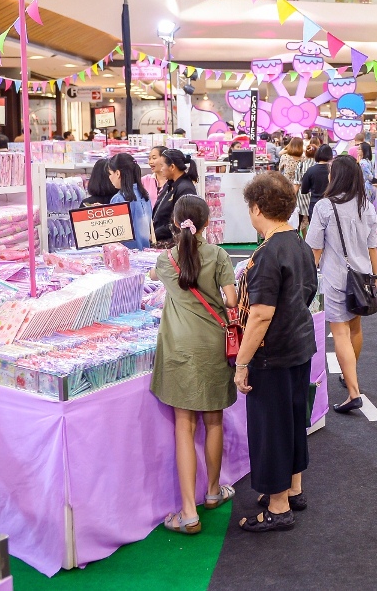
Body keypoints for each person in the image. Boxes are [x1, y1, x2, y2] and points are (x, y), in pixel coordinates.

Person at [234, 172, 318, 533]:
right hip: (299, 345)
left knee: (271, 429)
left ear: (257, 208)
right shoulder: (299, 242)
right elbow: (308, 292)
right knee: (294, 420)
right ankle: (293, 490)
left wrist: (242, 363)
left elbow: (261, 314)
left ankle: (278, 507)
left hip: (273, 354)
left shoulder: (267, 253)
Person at [150, 196, 237, 535]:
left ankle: (188, 513)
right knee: (214, 420)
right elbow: (231, 300)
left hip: (179, 348)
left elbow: (155, 275)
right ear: (206, 223)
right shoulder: (218, 255)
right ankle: (213, 492)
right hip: (213, 344)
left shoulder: (165, 260)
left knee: (183, 426)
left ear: (174, 223)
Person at [306, 155, 377, 414]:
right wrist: (376, 279)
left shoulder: (324, 207)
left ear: (335, 176)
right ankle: (350, 375)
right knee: (355, 328)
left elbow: (314, 249)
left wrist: (308, 279)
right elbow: (373, 247)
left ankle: (353, 392)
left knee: (340, 333)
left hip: (336, 278)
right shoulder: (366, 206)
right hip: (362, 278)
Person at [152, 149, 199, 247]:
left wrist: (157, 233)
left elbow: (183, 222)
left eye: (162, 165)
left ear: (172, 167)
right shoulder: (170, 185)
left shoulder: (185, 189)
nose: (161, 169)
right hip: (160, 241)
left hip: (174, 245)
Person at [108, 153, 153, 250]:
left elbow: (115, 234)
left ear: (118, 173)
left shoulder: (119, 199)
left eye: (110, 173)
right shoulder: (145, 195)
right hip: (145, 251)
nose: (109, 177)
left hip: (126, 253)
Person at [299, 145, 333, 226]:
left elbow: (304, 190)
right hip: (331, 203)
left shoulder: (311, 170)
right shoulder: (333, 170)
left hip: (315, 203)